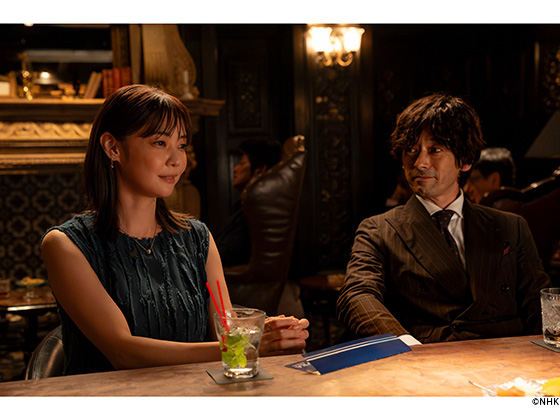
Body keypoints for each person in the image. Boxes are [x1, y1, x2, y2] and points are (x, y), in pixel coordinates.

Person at [41, 85, 308, 375]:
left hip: (193, 396)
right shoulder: (66, 245)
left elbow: (228, 335)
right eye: (159, 143)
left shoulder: (198, 238)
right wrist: (247, 346)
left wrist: (270, 334)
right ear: (113, 148)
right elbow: (122, 352)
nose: (177, 160)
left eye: (181, 145)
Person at [337, 93, 551, 345]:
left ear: (466, 160)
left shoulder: (511, 226)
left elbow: (539, 304)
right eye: (411, 150)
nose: (420, 162)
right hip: (429, 356)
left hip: (508, 357)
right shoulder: (378, 230)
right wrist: (404, 344)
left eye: (435, 150)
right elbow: (357, 294)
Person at [215, 139, 281, 266]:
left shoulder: (256, 211)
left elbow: (226, 253)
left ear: (260, 170)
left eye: (242, 163)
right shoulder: (245, 206)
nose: (235, 169)